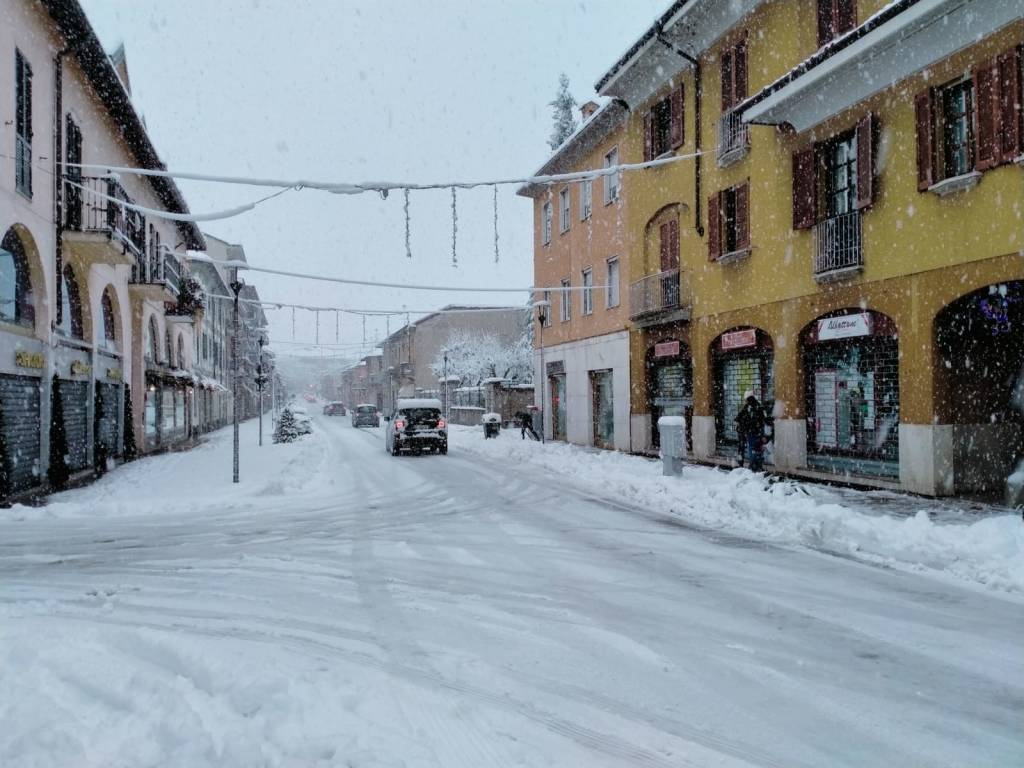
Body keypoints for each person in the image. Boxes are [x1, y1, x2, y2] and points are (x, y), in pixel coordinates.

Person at [734, 390, 767, 471]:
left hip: (749, 431)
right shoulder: (757, 406)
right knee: (756, 449)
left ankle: (751, 465)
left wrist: (740, 424)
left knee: (751, 448)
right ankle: (756, 466)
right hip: (755, 431)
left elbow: (738, 418)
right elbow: (762, 419)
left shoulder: (749, 406)